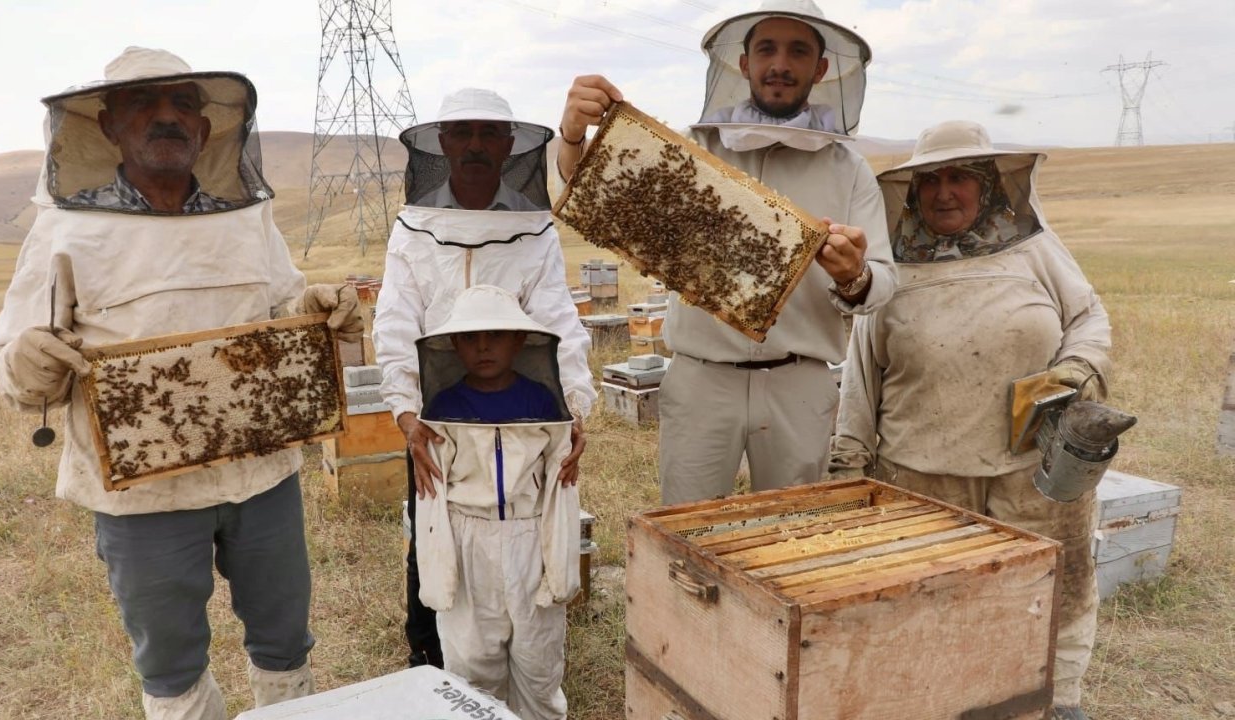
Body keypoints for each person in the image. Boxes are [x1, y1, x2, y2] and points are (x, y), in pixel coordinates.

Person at [0, 47, 363, 720]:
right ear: (107, 126)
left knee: (284, 640)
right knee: (170, 663)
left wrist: (316, 309)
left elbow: (282, 308)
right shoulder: (67, 229)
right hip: (142, 499)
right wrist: (28, 360)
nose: (167, 117)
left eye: (182, 103)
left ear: (207, 127)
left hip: (264, 474)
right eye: (144, 104)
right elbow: (12, 359)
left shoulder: (246, 218)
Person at [557, 0, 896, 505]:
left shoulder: (848, 168)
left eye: (797, 50)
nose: (780, 63)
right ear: (743, 64)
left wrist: (854, 276)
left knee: (787, 534)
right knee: (687, 529)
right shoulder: (696, 147)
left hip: (798, 382)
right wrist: (572, 135)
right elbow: (596, 190)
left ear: (820, 69)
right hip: (701, 377)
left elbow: (883, 285)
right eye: (766, 49)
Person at [829, 120, 1110, 720]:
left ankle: (1057, 701)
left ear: (987, 185)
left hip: (1033, 472)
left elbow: (1089, 317)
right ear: (912, 191)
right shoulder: (891, 267)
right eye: (931, 180)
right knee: (924, 607)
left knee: (1052, 592)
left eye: (960, 177)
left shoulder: (1034, 249)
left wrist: (1073, 372)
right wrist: (849, 458)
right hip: (920, 482)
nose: (944, 192)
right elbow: (860, 369)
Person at [374, 87, 597, 669]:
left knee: (532, 524)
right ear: (442, 143)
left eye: (488, 134)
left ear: (510, 146)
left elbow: (557, 318)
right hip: (436, 417)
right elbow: (396, 320)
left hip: (525, 410)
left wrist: (575, 405)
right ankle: (429, 653)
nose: (475, 145)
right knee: (431, 530)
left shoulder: (535, 230)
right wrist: (403, 411)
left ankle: (529, 633)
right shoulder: (412, 226)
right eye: (463, 133)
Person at [413, 285, 579, 720]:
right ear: (453, 344)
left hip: (531, 536)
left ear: (521, 341)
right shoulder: (444, 405)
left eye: (496, 336)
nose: (483, 347)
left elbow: (562, 486)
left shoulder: (543, 401)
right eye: (470, 338)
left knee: (538, 662)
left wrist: (559, 567)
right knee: (470, 663)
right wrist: (437, 572)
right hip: (467, 538)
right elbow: (430, 499)